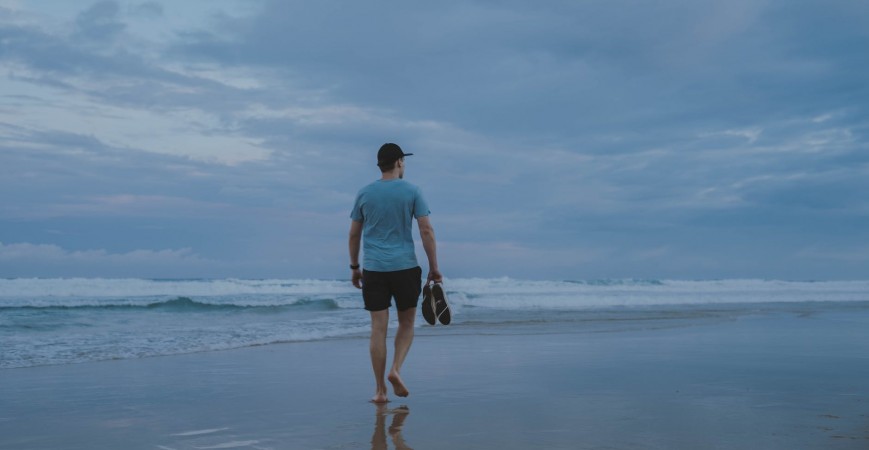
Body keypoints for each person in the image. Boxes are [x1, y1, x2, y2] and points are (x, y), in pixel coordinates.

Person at [349, 142, 442, 403]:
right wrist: (434, 268)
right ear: (400, 162)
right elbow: (426, 230)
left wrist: (355, 267)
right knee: (407, 323)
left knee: (378, 329)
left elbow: (354, 233)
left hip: (375, 269)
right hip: (405, 267)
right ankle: (396, 370)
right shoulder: (413, 190)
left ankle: (379, 390)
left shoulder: (364, 193)